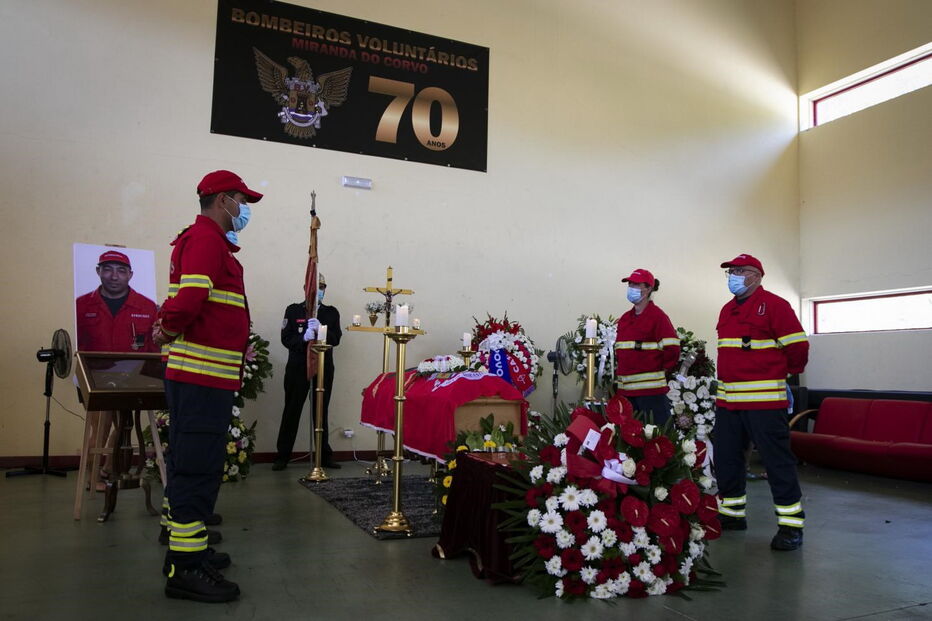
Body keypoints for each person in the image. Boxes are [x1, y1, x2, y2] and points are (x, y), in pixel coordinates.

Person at [152, 170, 263, 602]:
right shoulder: (205, 241)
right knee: (197, 467)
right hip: (202, 377)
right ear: (221, 201)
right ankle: (187, 569)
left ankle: (184, 545)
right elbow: (192, 298)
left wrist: (167, 328)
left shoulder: (205, 241)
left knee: (188, 461)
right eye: (241, 199)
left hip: (201, 376)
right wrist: (167, 328)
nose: (245, 208)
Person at [713, 253, 809, 551]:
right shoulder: (728, 310)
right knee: (728, 460)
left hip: (765, 404)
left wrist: (775, 374)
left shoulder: (776, 306)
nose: (733, 275)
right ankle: (732, 515)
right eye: (730, 271)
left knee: (777, 463)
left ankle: (791, 527)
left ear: (756, 275)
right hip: (729, 404)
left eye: (739, 270)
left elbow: (798, 350)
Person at [75, 250, 158, 490]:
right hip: (94, 379)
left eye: (121, 270)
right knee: (100, 427)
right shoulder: (81, 305)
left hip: (131, 379)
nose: (114, 276)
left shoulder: (146, 306)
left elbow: (152, 347)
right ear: (98, 271)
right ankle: (93, 479)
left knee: (123, 428)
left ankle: (106, 470)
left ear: (130, 275)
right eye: (108, 269)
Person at [273, 273, 343, 470]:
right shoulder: (294, 310)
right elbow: (286, 338)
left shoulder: (331, 312)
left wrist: (322, 330)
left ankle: (323, 456)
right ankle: (282, 455)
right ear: (305, 288)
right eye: (314, 287)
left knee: (321, 411)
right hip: (298, 368)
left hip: (323, 367)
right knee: (292, 410)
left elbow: (336, 338)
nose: (317, 291)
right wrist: (303, 338)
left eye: (321, 287)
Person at [612, 269, 680, 425]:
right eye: (630, 284)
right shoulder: (625, 319)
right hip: (626, 394)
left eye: (636, 284)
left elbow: (673, 349)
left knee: (656, 439)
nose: (631, 287)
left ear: (648, 288)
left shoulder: (658, 317)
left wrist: (659, 369)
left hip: (651, 395)